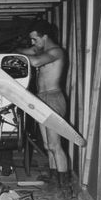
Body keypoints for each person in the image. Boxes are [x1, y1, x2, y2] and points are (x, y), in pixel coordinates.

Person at [16, 20, 71, 191]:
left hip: (53, 99)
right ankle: (55, 178)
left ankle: (65, 187)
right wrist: (14, 49)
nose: (33, 43)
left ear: (45, 36)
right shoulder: (41, 50)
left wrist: (20, 53)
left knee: (55, 145)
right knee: (47, 145)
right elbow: (27, 52)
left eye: (35, 39)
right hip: (41, 98)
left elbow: (35, 62)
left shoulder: (56, 52)